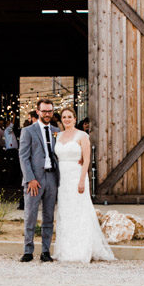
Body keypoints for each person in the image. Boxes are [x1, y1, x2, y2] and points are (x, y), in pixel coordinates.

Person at [53, 106, 114, 263]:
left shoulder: (82, 136)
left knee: (79, 211)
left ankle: (81, 250)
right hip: (62, 178)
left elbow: (86, 159)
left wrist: (82, 180)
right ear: (61, 119)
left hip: (76, 175)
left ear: (74, 118)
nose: (67, 119)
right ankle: (65, 249)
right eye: (64, 117)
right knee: (65, 212)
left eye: (69, 117)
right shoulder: (58, 136)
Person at [18, 98, 59, 262]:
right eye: (44, 111)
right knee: (30, 215)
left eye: (50, 111)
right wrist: (30, 179)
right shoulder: (28, 131)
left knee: (49, 217)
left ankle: (46, 251)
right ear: (38, 111)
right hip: (34, 180)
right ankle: (28, 250)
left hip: (52, 178)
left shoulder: (57, 131)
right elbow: (23, 157)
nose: (47, 114)